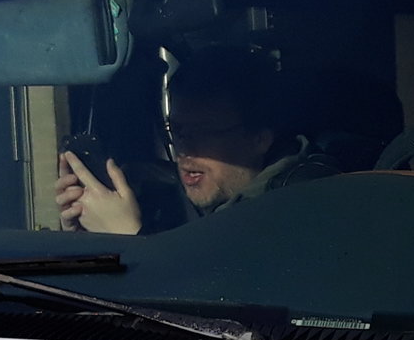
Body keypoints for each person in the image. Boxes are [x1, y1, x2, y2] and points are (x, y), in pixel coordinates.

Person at [59, 48, 338, 234]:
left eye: (204, 132)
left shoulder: (305, 207)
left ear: (259, 139)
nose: (185, 150)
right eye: (178, 131)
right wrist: (87, 238)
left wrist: (129, 236)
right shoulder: (172, 198)